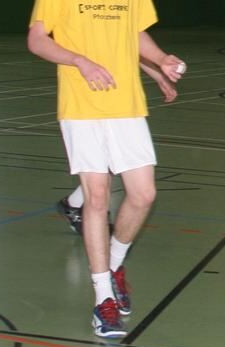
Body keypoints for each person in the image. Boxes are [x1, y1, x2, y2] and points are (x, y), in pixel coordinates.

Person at [27, 0, 184, 338]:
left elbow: (137, 34)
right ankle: (102, 300)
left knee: (143, 194)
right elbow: (38, 39)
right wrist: (79, 61)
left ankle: (114, 265)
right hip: (81, 105)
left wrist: (162, 61)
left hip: (126, 104)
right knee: (96, 198)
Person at [57, 60, 178, 234]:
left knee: (119, 163)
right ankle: (73, 206)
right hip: (87, 101)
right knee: (104, 169)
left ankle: (72, 204)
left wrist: (158, 74)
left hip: (120, 100)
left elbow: (133, 44)